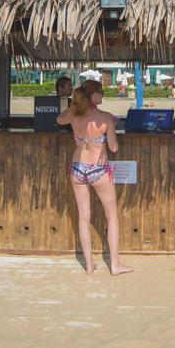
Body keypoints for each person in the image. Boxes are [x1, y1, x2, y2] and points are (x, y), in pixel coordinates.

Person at [56, 80, 132, 276]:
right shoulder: (105, 117)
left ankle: (89, 265)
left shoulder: (73, 114)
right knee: (112, 216)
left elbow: (59, 120)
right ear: (92, 96)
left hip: (78, 168)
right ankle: (115, 265)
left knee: (83, 218)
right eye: (101, 92)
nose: (104, 95)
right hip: (99, 169)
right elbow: (114, 148)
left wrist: (74, 106)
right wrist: (110, 129)